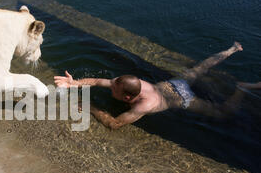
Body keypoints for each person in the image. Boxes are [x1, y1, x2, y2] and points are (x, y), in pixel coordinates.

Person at [54, 42, 259, 129]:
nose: (110, 86)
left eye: (113, 88)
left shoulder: (142, 107)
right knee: (201, 68)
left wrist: (90, 108)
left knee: (222, 112)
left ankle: (242, 88)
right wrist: (75, 83)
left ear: (128, 98)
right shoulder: (131, 83)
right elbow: (100, 81)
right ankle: (232, 49)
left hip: (182, 99)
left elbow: (115, 124)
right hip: (174, 84)